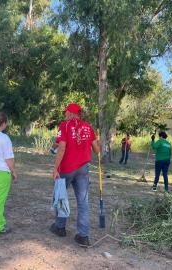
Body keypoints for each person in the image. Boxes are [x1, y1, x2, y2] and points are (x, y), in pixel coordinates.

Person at [50, 103, 99, 247]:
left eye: (66, 112)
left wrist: (55, 168)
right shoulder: (89, 127)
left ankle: (59, 227)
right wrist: (99, 142)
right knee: (83, 202)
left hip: (66, 168)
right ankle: (83, 236)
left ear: (71, 113)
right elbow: (97, 150)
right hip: (83, 169)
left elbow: (62, 147)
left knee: (60, 196)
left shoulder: (64, 126)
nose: (65, 115)